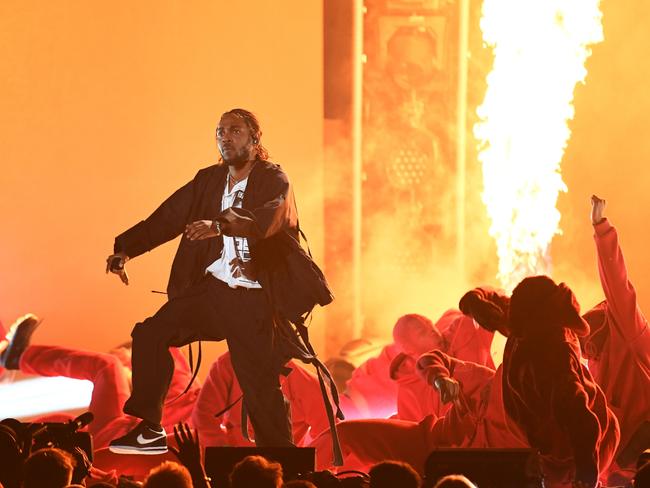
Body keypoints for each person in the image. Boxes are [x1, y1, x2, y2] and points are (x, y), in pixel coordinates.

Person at [105, 109, 333, 455]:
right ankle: (150, 428)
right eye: (220, 132)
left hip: (255, 303)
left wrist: (220, 225)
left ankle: (282, 465)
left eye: (235, 131)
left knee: (259, 387)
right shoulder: (208, 180)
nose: (225, 137)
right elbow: (168, 216)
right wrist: (125, 249)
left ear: (255, 140)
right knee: (151, 333)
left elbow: (268, 217)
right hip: (215, 292)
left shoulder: (273, 179)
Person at [502, 275, 619, 488]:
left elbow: (579, 417)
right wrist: (585, 475)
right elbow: (579, 417)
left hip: (559, 456)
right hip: (567, 457)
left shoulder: (521, 341)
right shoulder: (553, 353)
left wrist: (584, 474)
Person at [581, 195, 650, 479]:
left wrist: (601, 229)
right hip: (617, 467)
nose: (586, 348)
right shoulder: (591, 368)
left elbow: (617, 284)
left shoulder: (629, 332)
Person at [191, 351, 330, 447]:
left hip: (285, 470)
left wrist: (307, 469)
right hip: (236, 469)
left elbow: (329, 434)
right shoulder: (228, 365)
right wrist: (223, 451)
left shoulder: (305, 383)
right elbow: (204, 416)